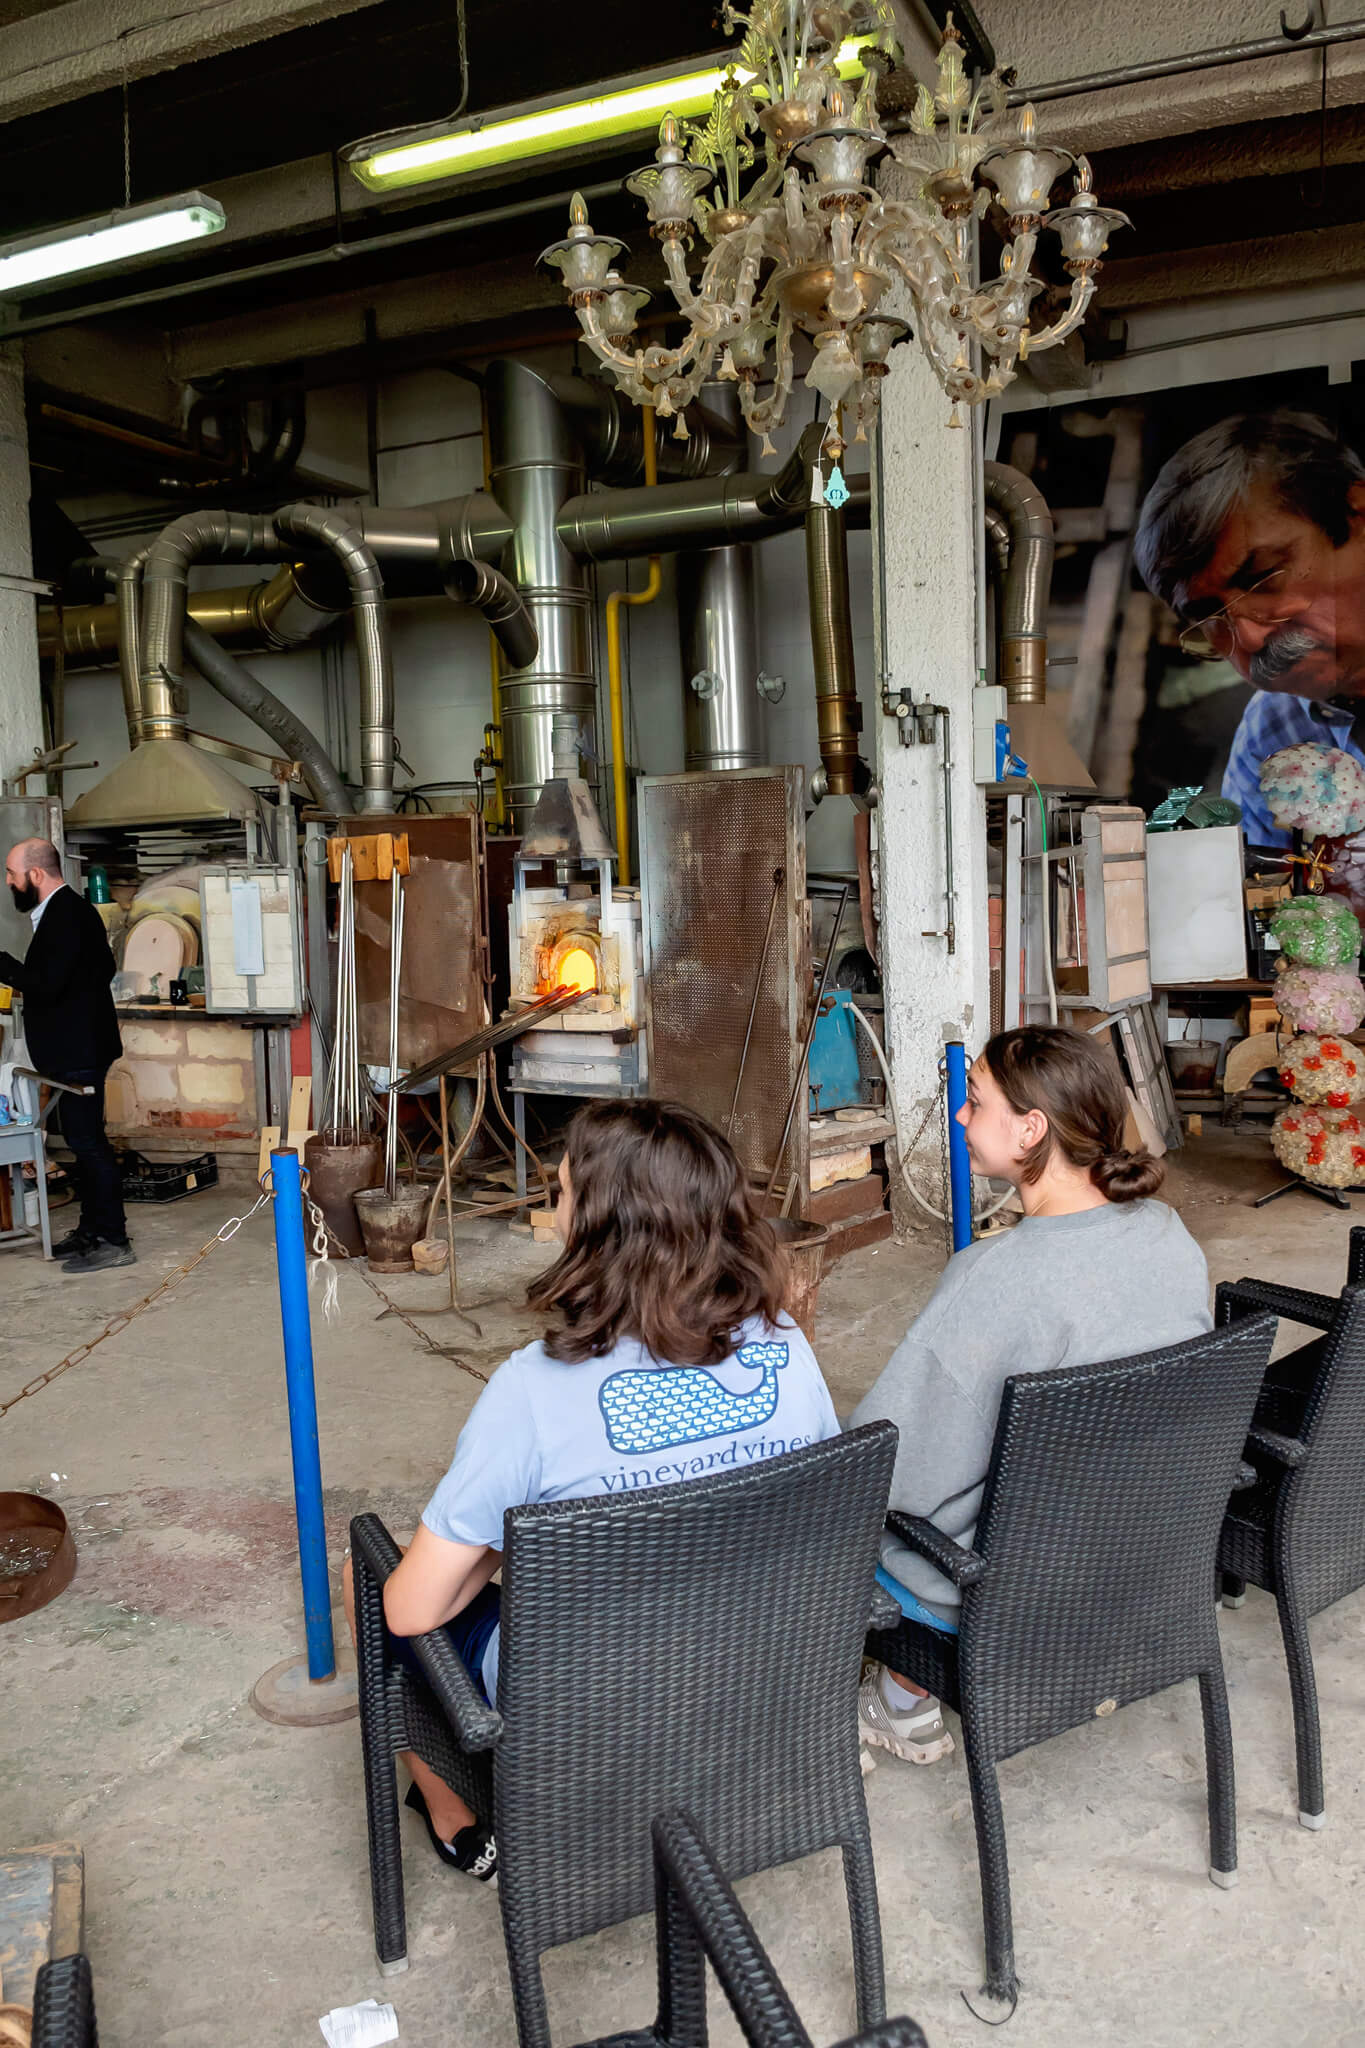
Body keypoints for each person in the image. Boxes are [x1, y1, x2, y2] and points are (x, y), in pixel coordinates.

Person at [342, 1098, 839, 1882]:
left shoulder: (532, 1392)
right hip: (755, 1676)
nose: (554, 1208)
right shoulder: (785, 1345)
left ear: (603, 1229)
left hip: (591, 1712)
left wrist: (501, 1546)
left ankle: (452, 1812)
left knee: (374, 1579)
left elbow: (410, 1611)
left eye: (563, 1194)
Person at [849, 1025, 1211, 1768]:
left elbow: (897, 1468)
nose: (958, 1118)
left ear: (1031, 1128)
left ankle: (903, 1697)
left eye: (971, 1102)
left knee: (826, 1505)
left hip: (1009, 1586)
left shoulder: (996, 1278)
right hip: (1145, 1548)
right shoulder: (1165, 1233)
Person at [1133, 408, 1365, 847]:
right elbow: (1265, 902)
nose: (1251, 638)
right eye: (1210, 618)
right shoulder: (1271, 736)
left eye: (1262, 577)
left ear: (1358, 514)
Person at [0, 840, 131, 1272]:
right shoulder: (65, 913)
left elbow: (45, 984)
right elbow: (97, 971)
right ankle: (91, 1229)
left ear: (35, 875)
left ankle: (113, 1239)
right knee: (80, 1142)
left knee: (89, 1144)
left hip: (80, 1051)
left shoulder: (66, 915)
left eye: (11, 873)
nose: (8, 882)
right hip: (76, 1047)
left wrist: (1, 964)